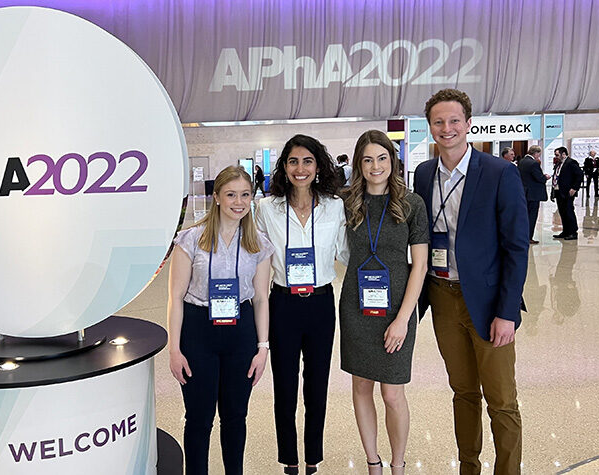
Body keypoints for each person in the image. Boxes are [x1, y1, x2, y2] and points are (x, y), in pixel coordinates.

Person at [413, 89, 528, 474]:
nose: (447, 129)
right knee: (463, 393)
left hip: (489, 302)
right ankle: (469, 467)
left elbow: (516, 247)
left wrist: (507, 313)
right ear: (430, 127)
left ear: (468, 124)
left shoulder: (499, 172)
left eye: (454, 121)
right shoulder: (424, 173)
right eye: (439, 122)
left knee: (501, 399)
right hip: (443, 298)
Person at [167, 165, 273, 475]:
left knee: (235, 415)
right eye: (230, 195)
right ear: (216, 197)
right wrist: (175, 349)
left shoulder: (258, 243)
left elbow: (261, 299)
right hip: (198, 331)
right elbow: (175, 297)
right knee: (199, 418)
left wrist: (262, 347)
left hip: (240, 333)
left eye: (245, 195)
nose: (238, 202)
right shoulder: (191, 240)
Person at [255, 134, 347, 475]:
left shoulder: (334, 206)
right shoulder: (267, 208)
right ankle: (289, 460)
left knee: (317, 386)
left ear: (318, 166)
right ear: (283, 167)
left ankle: (312, 458)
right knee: (285, 387)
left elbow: (347, 254)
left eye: (307, 161)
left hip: (321, 305)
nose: (300, 168)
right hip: (283, 304)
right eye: (293, 161)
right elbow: (259, 260)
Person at [339, 130, 429, 474]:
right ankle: (373, 462)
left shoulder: (411, 203)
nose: (376, 166)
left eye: (382, 158)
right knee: (361, 386)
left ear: (393, 161)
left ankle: (398, 464)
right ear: (358, 164)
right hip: (356, 307)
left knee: (392, 393)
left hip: (397, 308)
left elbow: (419, 265)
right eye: (367, 159)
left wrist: (403, 319)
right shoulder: (347, 202)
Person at [517, 146, 549, 244]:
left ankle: (522, 236)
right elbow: (539, 178)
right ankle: (529, 237)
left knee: (524, 216)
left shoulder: (521, 161)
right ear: (536, 153)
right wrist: (545, 177)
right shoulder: (534, 163)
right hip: (533, 194)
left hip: (523, 192)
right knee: (532, 216)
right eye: (539, 154)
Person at [552, 146, 583, 241]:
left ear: (563, 154)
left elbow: (579, 175)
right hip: (558, 191)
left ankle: (573, 232)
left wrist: (574, 188)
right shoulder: (558, 164)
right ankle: (566, 231)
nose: (556, 157)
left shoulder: (571, 163)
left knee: (569, 211)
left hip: (567, 192)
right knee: (562, 212)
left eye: (557, 155)